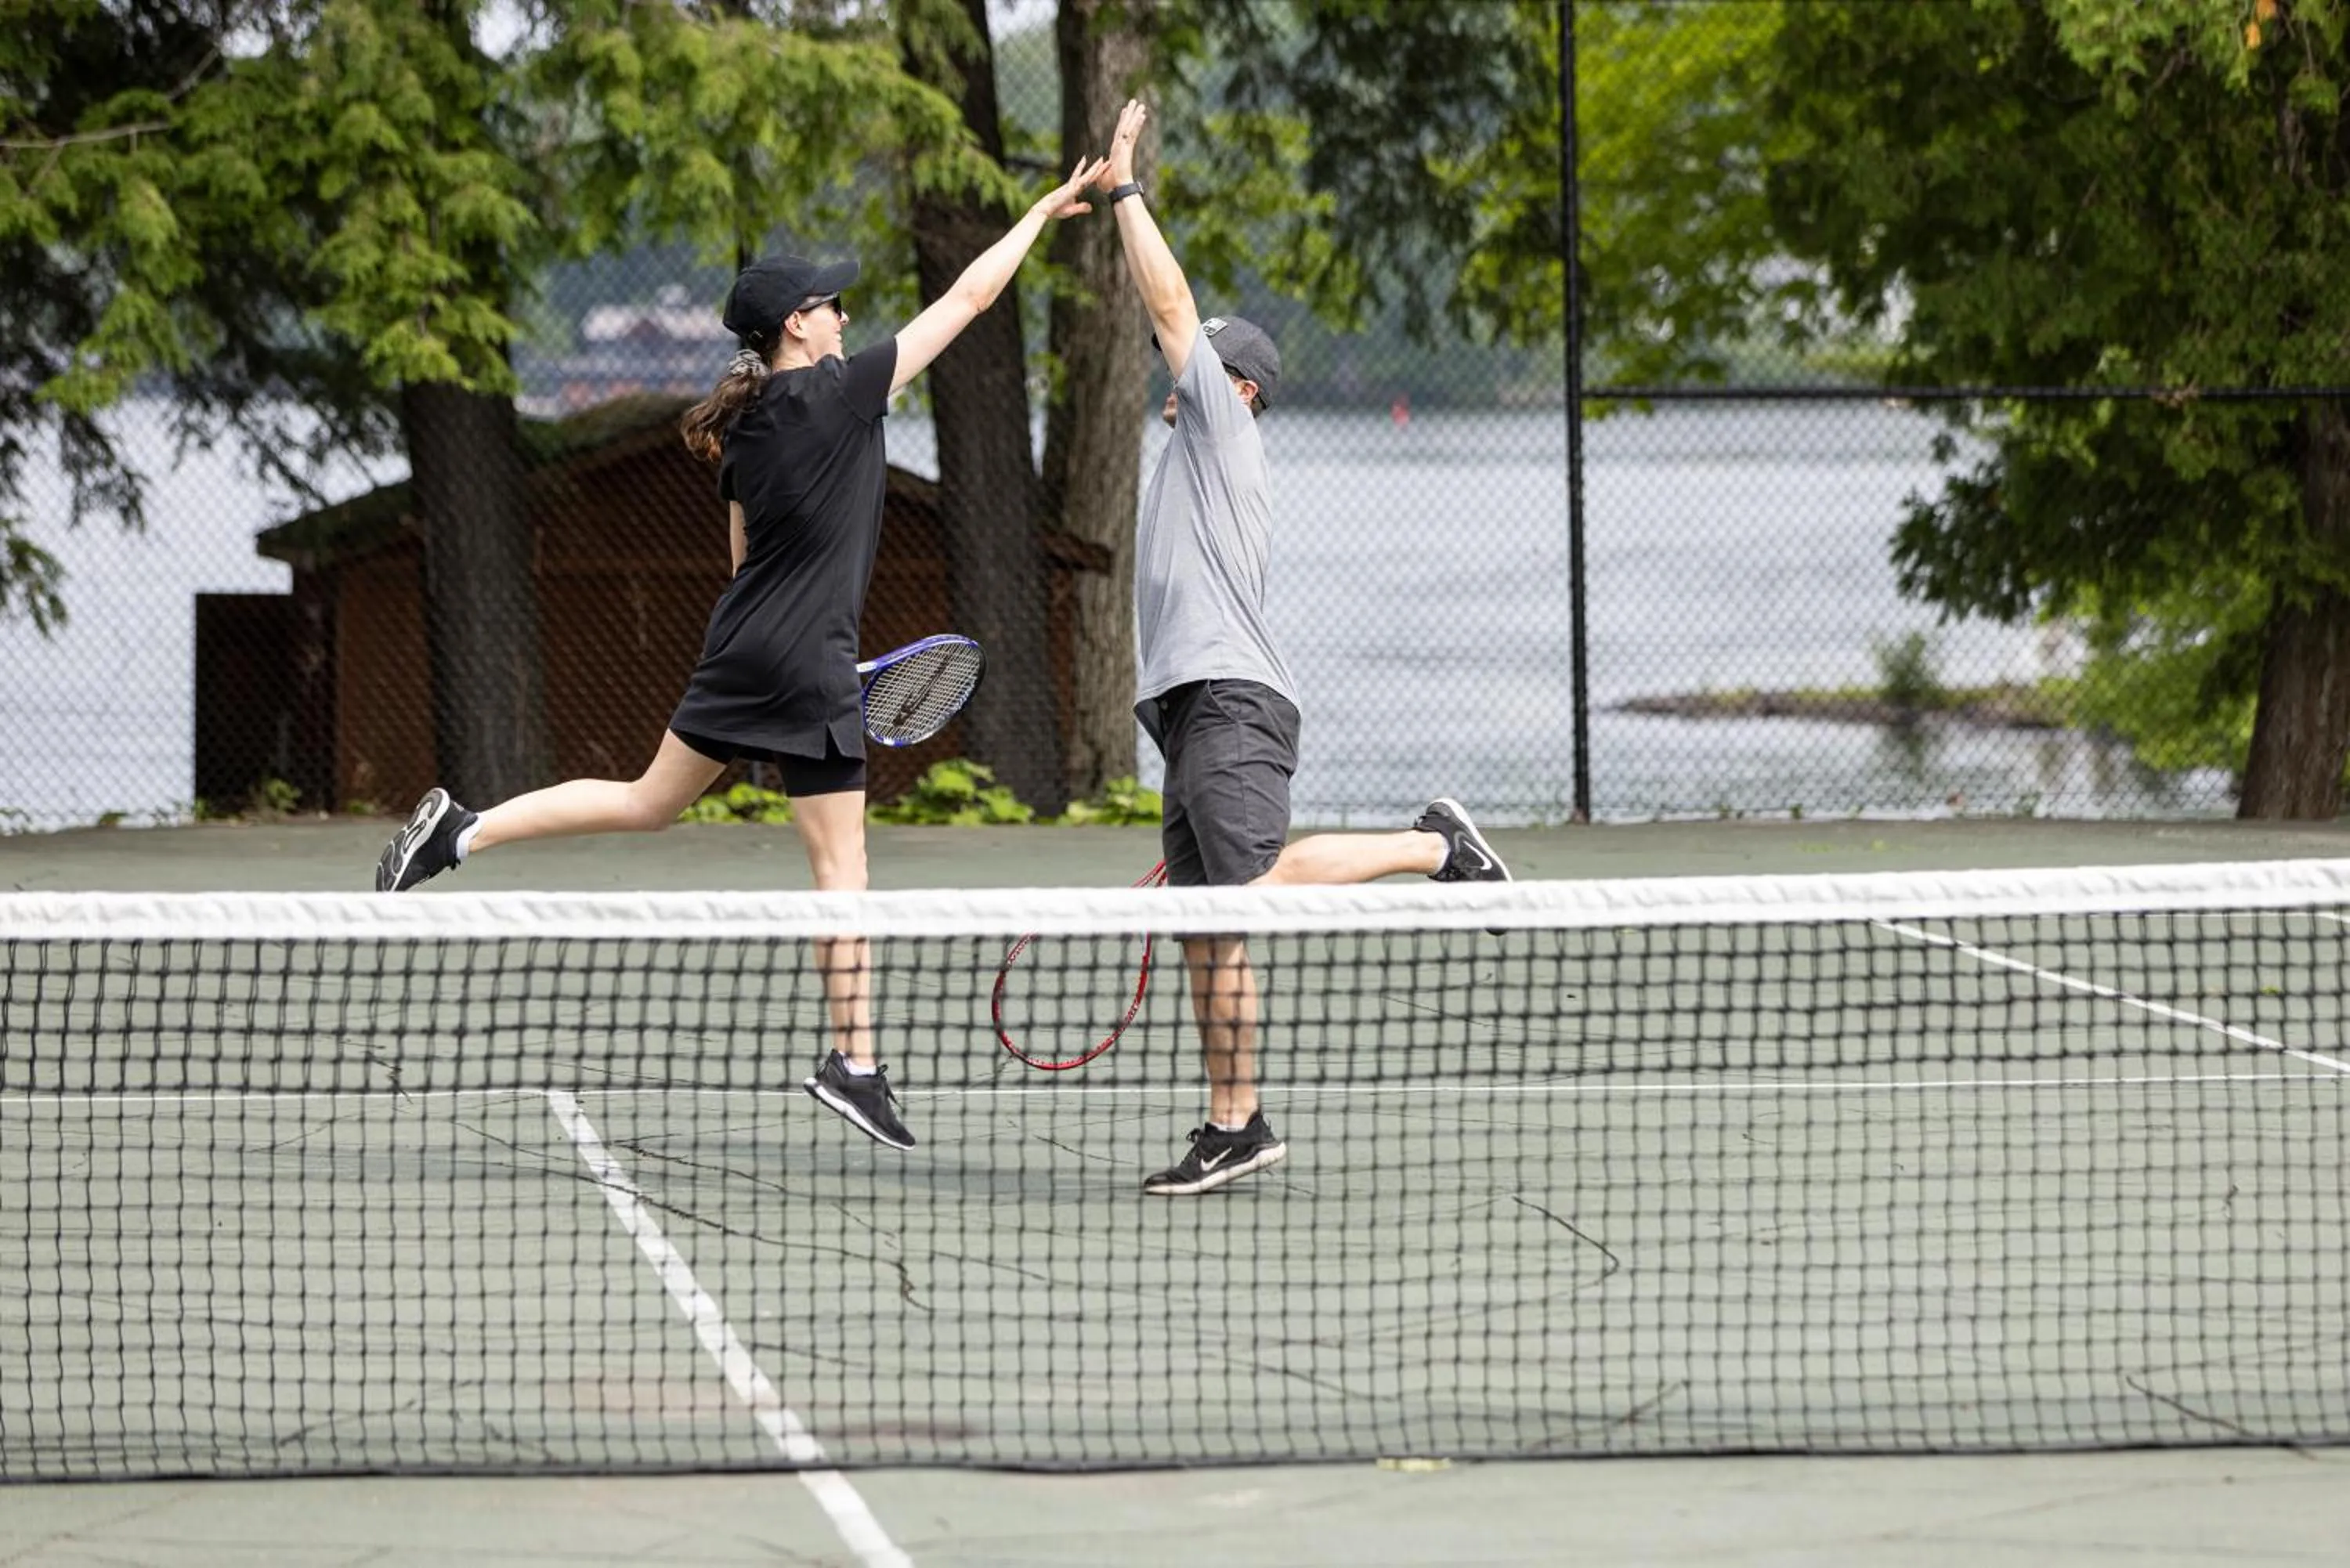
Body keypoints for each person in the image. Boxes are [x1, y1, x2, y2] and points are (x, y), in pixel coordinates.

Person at [374, 157, 1110, 1153]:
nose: (847, 315)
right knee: (842, 862)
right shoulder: (845, 394)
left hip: (746, 650)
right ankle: (854, 1064)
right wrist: (1041, 209)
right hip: (802, 660)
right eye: (832, 305)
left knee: (648, 799)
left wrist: (798, 655)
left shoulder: (745, 431)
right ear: (796, 326)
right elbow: (971, 297)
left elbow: (745, 566)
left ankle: (460, 830)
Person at [1093, 99, 1512, 1199]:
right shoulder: (1191, 456)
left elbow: (1171, 300)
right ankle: (1236, 1124)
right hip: (1193, 712)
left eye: (1191, 363)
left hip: (1230, 698)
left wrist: (1126, 183)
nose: (1167, 367)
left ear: (1237, 390)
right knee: (1208, 929)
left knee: (1259, 885)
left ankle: (1435, 845)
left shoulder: (1221, 425)